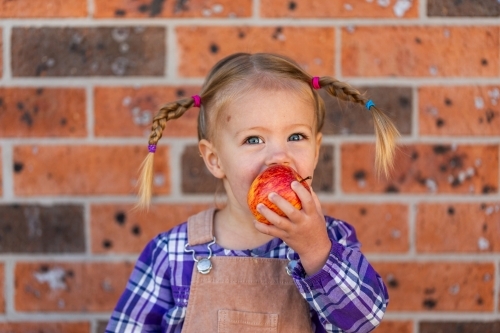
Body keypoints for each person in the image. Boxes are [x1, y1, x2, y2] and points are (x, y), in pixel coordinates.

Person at [106, 52, 399, 333]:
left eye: (296, 136)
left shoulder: (332, 239)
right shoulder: (172, 252)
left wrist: (315, 250)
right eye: (253, 139)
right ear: (215, 159)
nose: (278, 155)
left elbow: (365, 318)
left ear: (317, 149)